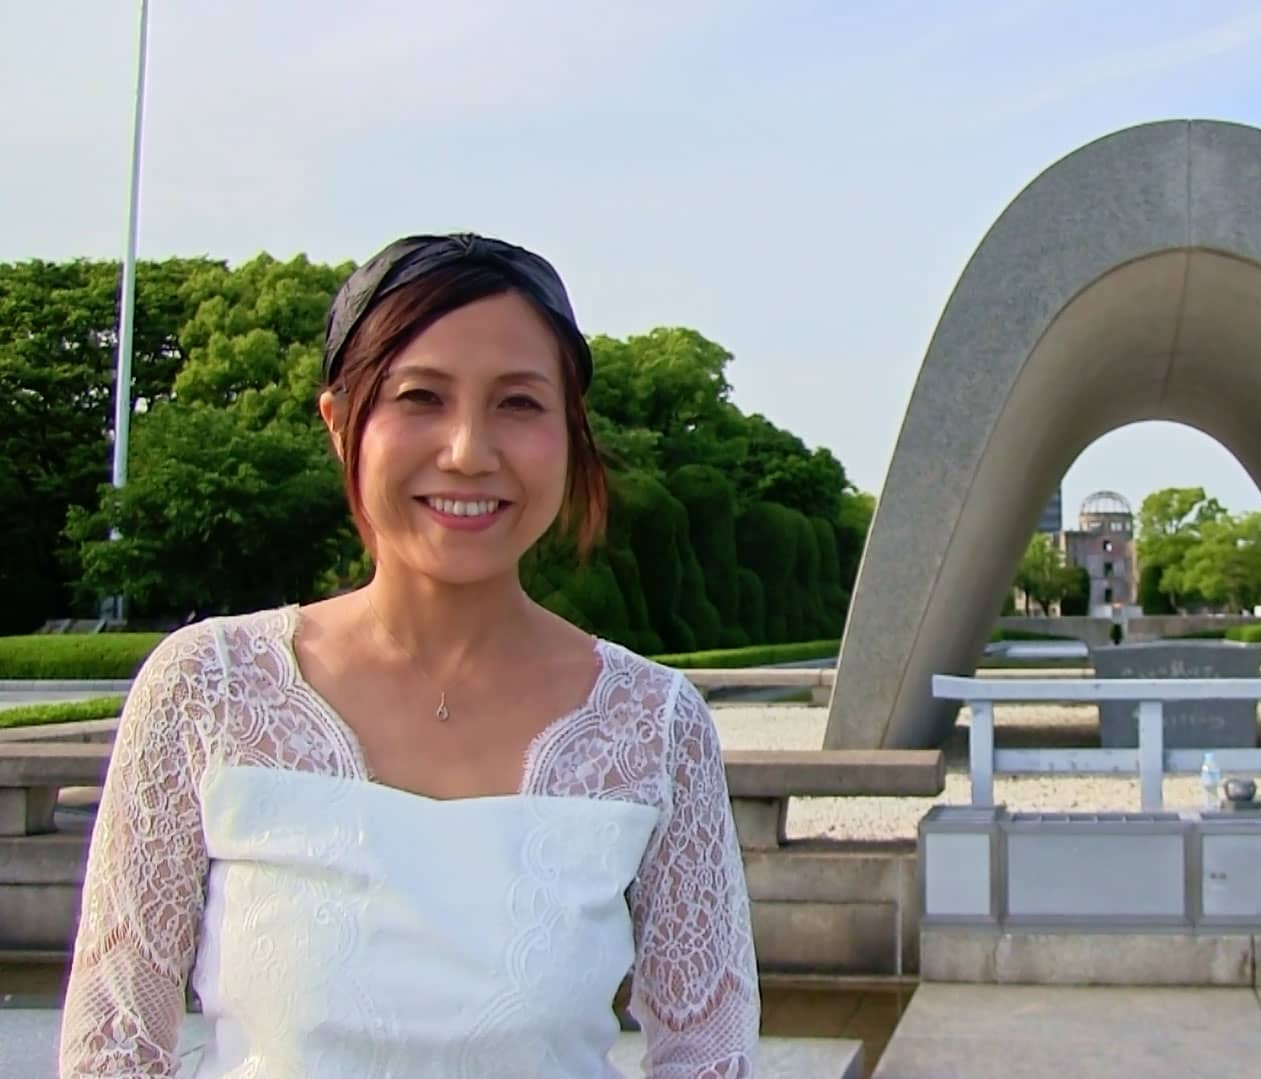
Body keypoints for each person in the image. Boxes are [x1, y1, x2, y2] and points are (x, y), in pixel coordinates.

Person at [58, 234, 761, 1077]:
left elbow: (707, 1056)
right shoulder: (206, 689)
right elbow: (112, 1047)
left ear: (570, 432)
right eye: (420, 396)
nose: (468, 449)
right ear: (338, 423)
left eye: (519, 403)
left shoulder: (655, 723)